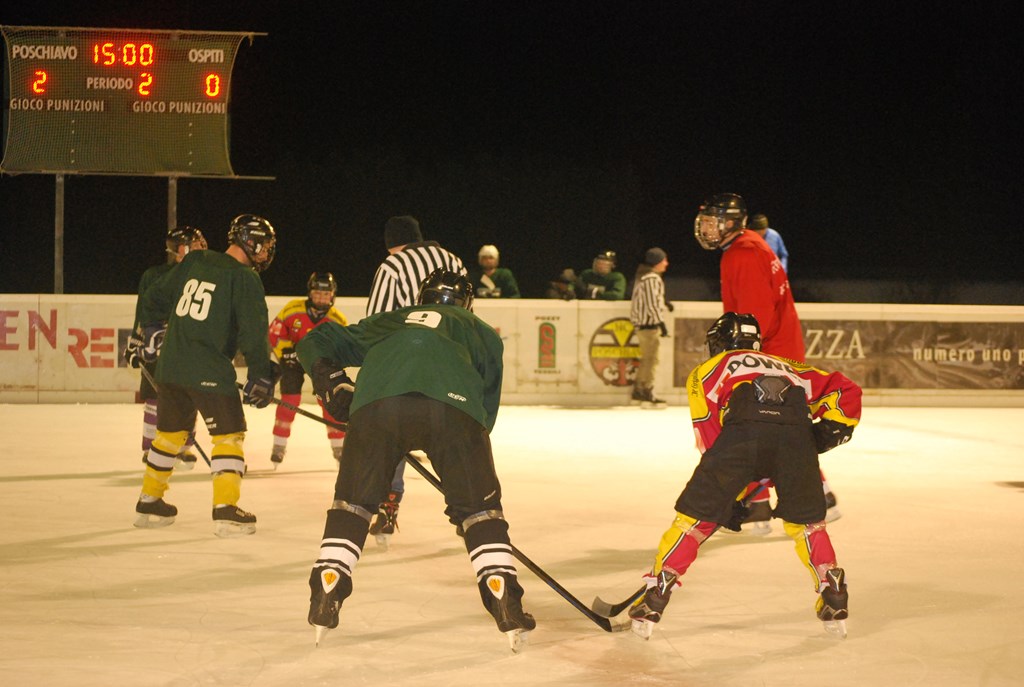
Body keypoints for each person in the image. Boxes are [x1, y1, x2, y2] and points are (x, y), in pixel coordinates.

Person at [297, 269, 535, 651]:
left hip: (377, 407)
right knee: (481, 512)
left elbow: (316, 340)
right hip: (455, 411)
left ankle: (328, 584)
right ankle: (503, 596)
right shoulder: (482, 332)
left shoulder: (394, 319)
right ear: (467, 303)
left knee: (353, 504)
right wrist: (467, 492)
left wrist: (331, 377)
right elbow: (485, 413)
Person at [627, 312, 861, 640]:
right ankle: (832, 587)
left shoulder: (706, 371)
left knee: (694, 523)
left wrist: (729, 495)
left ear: (718, 343)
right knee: (808, 525)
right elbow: (848, 391)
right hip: (795, 441)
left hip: (741, 437)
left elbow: (711, 437)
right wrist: (825, 434)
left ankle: (657, 592)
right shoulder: (787, 366)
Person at [126, 214, 279, 537]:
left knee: (169, 434)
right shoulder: (245, 278)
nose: (266, 253)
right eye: (264, 246)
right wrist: (261, 375)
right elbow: (254, 334)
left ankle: (149, 500)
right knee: (229, 435)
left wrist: (150, 329)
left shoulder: (195, 261)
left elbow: (153, 297)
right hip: (208, 369)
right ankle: (226, 509)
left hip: (170, 367)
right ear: (249, 242)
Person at [695, 192, 838, 529]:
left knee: (753, 427)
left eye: (712, 222)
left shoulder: (742, 253)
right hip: (777, 347)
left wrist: (743, 357)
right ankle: (786, 498)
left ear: (731, 222)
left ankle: (784, 500)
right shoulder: (750, 244)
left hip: (767, 352)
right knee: (779, 428)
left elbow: (754, 314)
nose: (705, 229)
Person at [363, 215, 467, 547]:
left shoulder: (393, 265)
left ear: (392, 244)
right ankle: (469, 512)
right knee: (453, 441)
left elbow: (376, 322)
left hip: (407, 366)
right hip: (450, 366)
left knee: (392, 435)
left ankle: (387, 504)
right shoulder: (454, 260)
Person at [126, 226, 207, 469]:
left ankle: (184, 446)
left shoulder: (205, 275)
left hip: (188, 344)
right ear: (181, 249)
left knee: (189, 394)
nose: (202, 247)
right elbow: (143, 310)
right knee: (155, 396)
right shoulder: (154, 275)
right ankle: (150, 446)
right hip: (157, 342)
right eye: (196, 243)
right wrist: (136, 341)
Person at [267, 271, 349, 468]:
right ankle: (279, 444)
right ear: (310, 293)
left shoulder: (337, 320)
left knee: (330, 401)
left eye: (326, 294)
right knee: (289, 400)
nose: (321, 298)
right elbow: (275, 333)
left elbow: (345, 347)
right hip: (292, 362)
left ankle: (339, 446)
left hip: (320, 365)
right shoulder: (292, 309)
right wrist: (285, 352)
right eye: (317, 293)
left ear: (333, 295)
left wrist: (331, 361)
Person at [629, 247, 671, 407]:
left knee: (647, 359)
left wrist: (664, 302)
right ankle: (647, 390)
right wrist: (661, 323)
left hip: (643, 325)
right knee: (652, 360)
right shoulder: (652, 279)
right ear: (657, 262)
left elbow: (650, 298)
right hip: (649, 326)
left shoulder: (644, 277)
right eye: (664, 260)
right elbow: (652, 304)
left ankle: (639, 390)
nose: (666, 263)